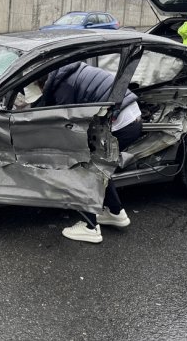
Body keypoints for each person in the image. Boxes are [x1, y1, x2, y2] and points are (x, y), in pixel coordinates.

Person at [31, 61, 141, 244]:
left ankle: (90, 226)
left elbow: (68, 126)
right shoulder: (68, 71)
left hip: (120, 123)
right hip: (131, 118)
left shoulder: (64, 86)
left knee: (84, 168)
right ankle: (115, 212)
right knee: (99, 168)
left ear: (43, 83)